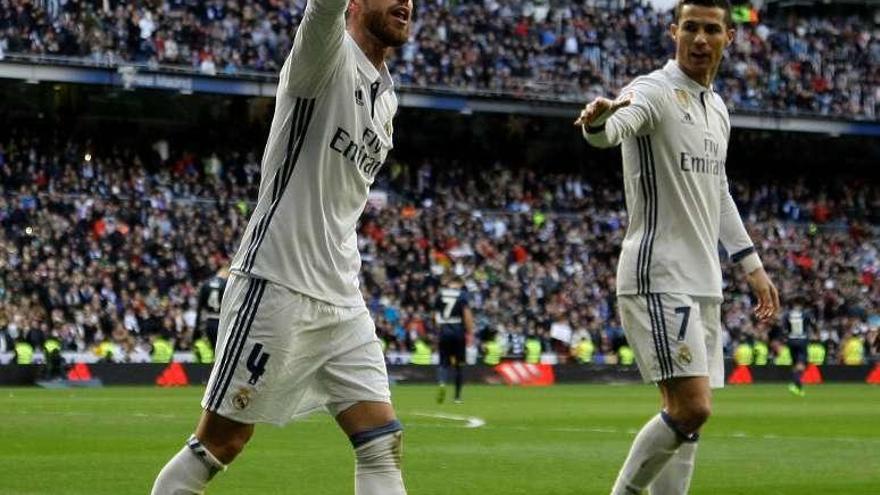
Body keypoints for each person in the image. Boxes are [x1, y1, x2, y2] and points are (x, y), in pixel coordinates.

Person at [150, 0, 413, 491]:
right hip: (277, 282)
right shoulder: (324, 56)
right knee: (219, 444)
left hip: (341, 294)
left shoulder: (387, 97)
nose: (406, 2)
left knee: (381, 441)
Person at [576, 1, 780, 493]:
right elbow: (615, 128)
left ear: (729, 37)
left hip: (704, 280)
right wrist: (598, 122)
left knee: (688, 422)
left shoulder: (719, 108)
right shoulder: (653, 90)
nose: (700, 39)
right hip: (658, 274)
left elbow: (719, 190)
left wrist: (751, 265)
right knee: (692, 406)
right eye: (691, 27)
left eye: (712, 29)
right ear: (674, 31)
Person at [433, 275, 475, 404]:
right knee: (459, 365)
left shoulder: (440, 294)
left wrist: (440, 329)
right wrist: (470, 332)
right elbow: (467, 314)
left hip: (444, 330)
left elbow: (435, 316)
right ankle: (457, 397)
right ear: (459, 283)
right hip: (458, 331)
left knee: (443, 362)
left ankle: (442, 383)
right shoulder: (462, 295)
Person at [780, 296, 811, 396]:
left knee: (794, 364)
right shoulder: (805, 314)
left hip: (791, 340)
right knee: (801, 364)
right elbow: (810, 325)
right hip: (802, 340)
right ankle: (796, 384)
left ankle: (798, 387)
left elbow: (784, 329)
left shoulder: (787, 314)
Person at [196, 266, 228, 348]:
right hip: (221, 321)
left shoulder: (206, 283)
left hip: (209, 320)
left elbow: (199, 307)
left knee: (211, 348)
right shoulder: (226, 284)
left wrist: (198, 327)